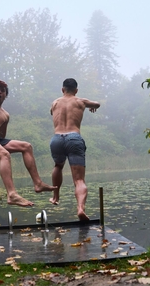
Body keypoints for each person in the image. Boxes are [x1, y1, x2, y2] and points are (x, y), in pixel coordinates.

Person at [0, 76, 56, 207]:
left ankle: (38, 183)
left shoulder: (5, 115)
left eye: (2, 90)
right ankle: (12, 194)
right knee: (4, 155)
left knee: (26, 146)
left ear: (5, 95)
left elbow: (2, 135)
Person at [49, 78, 100, 221]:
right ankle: (80, 209)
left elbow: (51, 112)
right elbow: (97, 104)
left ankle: (55, 196)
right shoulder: (80, 101)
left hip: (57, 138)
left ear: (62, 89)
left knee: (58, 166)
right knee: (79, 180)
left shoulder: (55, 102)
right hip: (74, 137)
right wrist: (92, 106)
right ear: (76, 90)